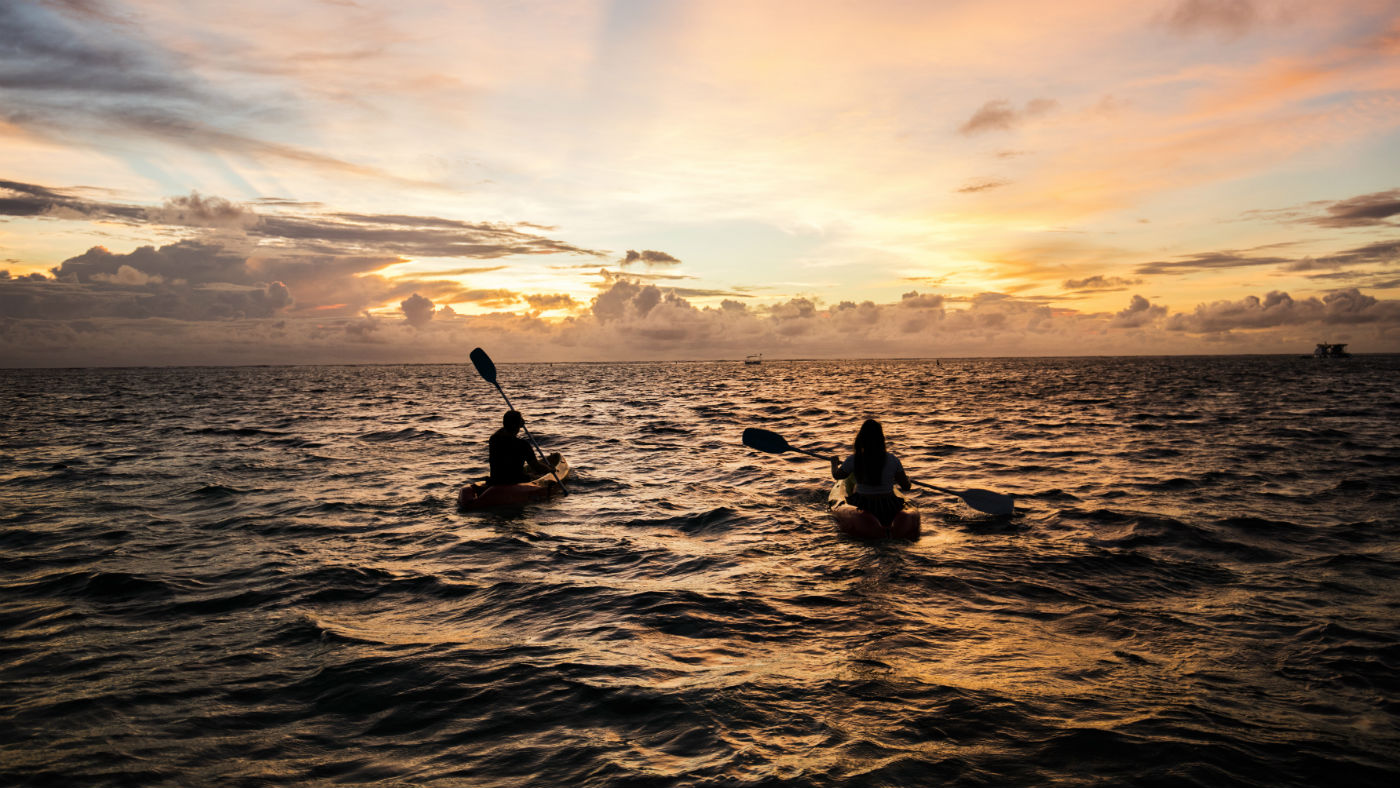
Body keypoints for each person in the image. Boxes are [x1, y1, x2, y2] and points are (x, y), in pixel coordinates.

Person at [831, 419, 911, 526]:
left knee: (855, 490)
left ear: (861, 439)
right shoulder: (893, 459)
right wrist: (907, 480)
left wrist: (834, 463)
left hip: (864, 504)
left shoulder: (854, 459)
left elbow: (837, 476)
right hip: (889, 505)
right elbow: (906, 487)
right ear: (881, 439)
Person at [488, 410, 559, 485]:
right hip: (515, 481)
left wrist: (516, 423)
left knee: (530, 475)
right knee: (534, 476)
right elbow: (536, 467)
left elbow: (504, 429)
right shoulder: (523, 445)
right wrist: (550, 469)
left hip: (495, 480)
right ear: (519, 425)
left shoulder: (494, 439)